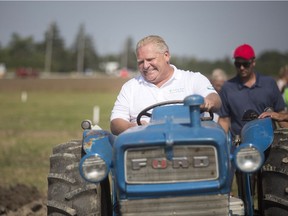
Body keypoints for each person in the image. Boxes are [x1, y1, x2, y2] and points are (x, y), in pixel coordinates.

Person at [110, 35, 222, 135]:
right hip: (145, 147)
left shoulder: (193, 79)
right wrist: (133, 127)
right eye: (140, 62)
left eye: (150, 59)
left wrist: (208, 102)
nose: (145, 66)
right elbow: (115, 122)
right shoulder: (130, 87)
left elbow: (214, 98)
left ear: (166, 56)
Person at [217, 43, 287, 139]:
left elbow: (281, 114)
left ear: (253, 62)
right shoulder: (227, 87)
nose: (242, 68)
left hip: (269, 144)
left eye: (245, 64)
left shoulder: (269, 83)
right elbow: (224, 120)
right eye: (238, 64)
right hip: (239, 147)